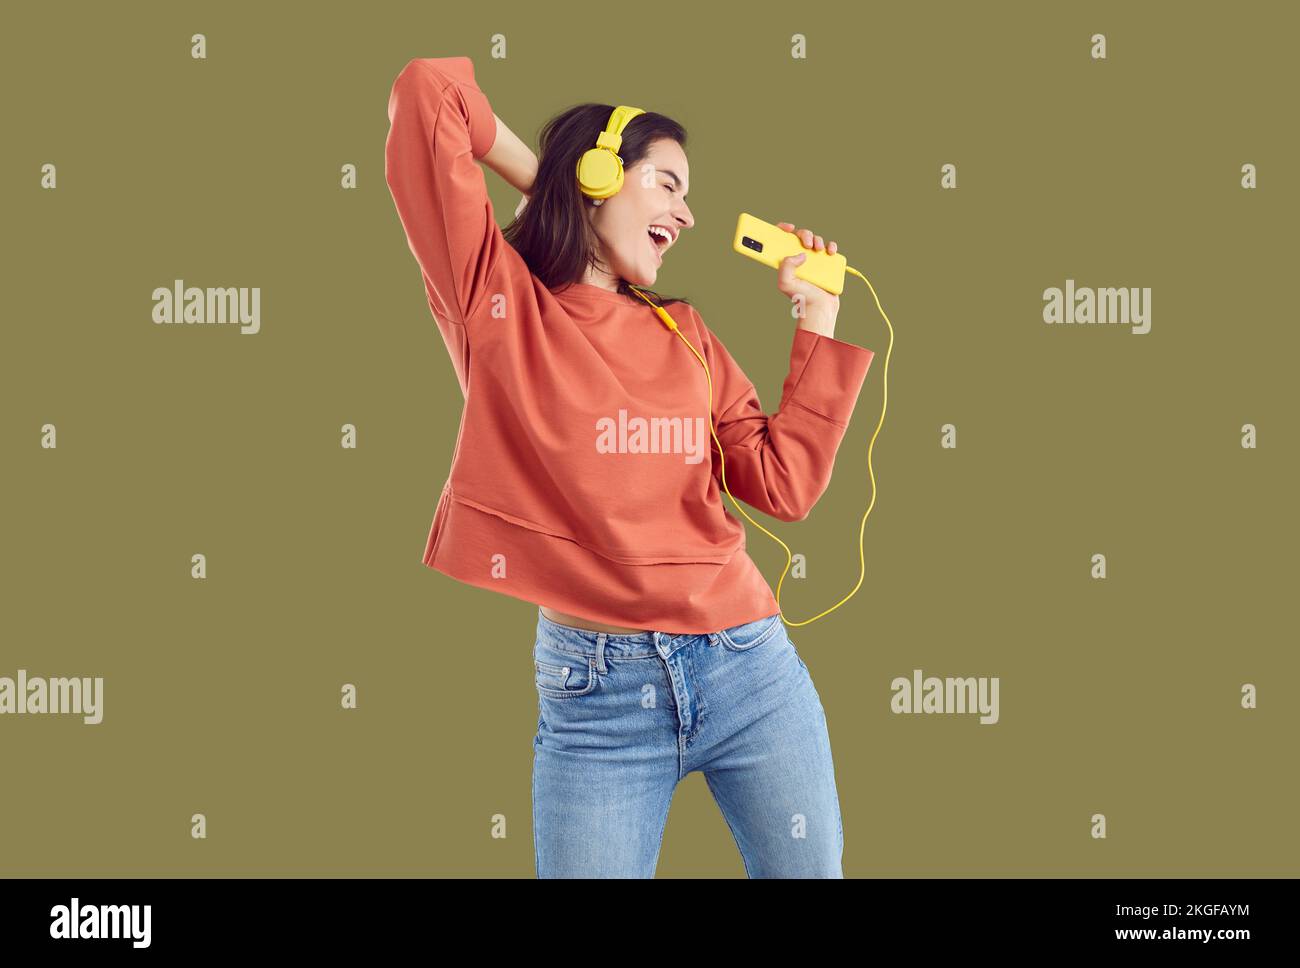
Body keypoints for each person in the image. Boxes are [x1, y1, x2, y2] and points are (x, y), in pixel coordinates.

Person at [384, 55, 874, 877]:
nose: (686, 215)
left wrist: (817, 316)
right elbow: (427, 93)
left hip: (750, 671)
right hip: (597, 697)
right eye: (669, 184)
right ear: (604, 169)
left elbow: (782, 485)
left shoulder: (687, 333)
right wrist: (560, 185)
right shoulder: (497, 303)